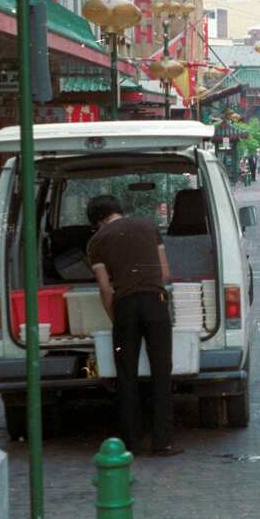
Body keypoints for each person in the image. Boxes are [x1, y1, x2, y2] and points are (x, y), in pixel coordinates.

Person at [86, 195, 182, 457]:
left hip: (125, 306)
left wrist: (116, 319)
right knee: (162, 372)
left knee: (126, 376)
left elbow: (105, 288)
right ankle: (163, 442)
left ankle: (132, 443)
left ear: (97, 222)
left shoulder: (96, 242)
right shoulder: (149, 226)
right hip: (156, 302)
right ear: (119, 210)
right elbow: (164, 272)